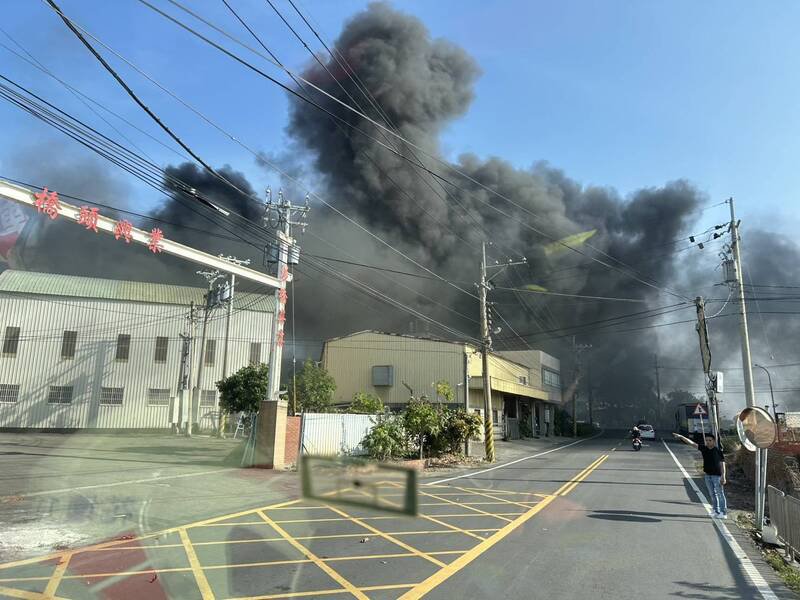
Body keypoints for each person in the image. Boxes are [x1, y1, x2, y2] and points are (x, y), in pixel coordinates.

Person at [673, 432, 728, 519]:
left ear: (714, 441)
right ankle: (715, 510)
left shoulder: (717, 451)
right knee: (712, 494)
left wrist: (723, 476)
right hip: (707, 475)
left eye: (710, 440)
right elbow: (691, 443)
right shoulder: (704, 448)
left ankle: (723, 513)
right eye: (706, 440)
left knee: (720, 494)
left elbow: (722, 464)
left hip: (717, 476)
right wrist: (681, 436)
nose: (708, 442)